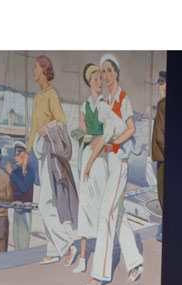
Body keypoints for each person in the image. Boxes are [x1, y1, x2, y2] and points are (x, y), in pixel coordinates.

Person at [83, 54, 143, 285]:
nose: (105, 75)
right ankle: (136, 263)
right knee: (118, 216)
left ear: (116, 73)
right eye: (103, 71)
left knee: (105, 214)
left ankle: (100, 274)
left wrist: (117, 142)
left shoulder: (122, 99)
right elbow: (101, 137)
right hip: (110, 162)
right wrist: (89, 163)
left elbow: (131, 129)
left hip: (120, 163)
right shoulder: (108, 102)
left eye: (109, 71)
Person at [26, 54, 78, 264]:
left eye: (36, 68)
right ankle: (53, 250)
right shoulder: (37, 98)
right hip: (40, 154)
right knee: (48, 202)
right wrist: (26, 153)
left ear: (43, 71)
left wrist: (46, 129)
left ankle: (67, 245)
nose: (33, 72)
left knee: (45, 203)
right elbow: (32, 128)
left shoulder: (52, 95)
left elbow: (62, 123)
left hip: (51, 153)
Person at [68, 63, 105, 273]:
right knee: (84, 207)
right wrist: (85, 136)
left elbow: (106, 132)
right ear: (89, 83)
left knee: (99, 204)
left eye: (101, 78)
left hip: (101, 157)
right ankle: (82, 258)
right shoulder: (84, 106)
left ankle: (100, 255)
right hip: (87, 154)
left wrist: (96, 137)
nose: (99, 83)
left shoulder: (105, 103)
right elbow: (82, 131)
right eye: (96, 79)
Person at [4, 141, 38, 252]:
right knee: (17, 242)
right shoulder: (16, 171)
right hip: (17, 211)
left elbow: (23, 188)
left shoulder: (29, 171)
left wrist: (11, 174)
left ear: (25, 155)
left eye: (18, 154)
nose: (15, 157)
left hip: (25, 211)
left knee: (23, 244)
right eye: (15, 154)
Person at [152, 69, 166, 241]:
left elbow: (161, 136)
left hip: (163, 158)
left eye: (161, 83)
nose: (159, 87)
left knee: (162, 195)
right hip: (162, 157)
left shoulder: (163, 105)